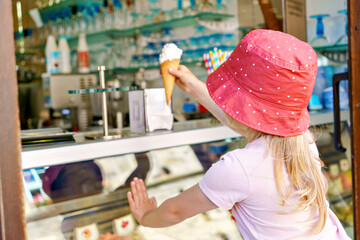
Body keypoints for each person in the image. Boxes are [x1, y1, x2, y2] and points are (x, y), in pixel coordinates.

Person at [126, 29, 350, 239]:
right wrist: (195, 88)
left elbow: (174, 212)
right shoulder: (305, 142)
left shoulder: (238, 169)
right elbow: (245, 122)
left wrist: (145, 217)